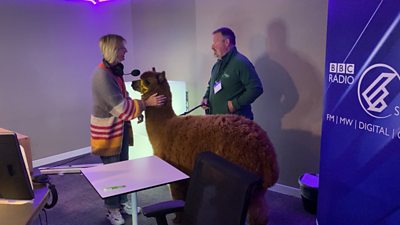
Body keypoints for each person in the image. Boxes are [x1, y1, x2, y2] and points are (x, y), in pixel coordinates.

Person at [90, 34, 166, 225]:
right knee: (112, 173)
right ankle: (112, 209)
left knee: (123, 168)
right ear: (114, 50)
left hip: (120, 128)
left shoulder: (114, 72)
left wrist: (137, 108)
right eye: (123, 49)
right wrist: (145, 103)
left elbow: (124, 103)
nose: (126, 52)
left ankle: (123, 202)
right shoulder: (102, 76)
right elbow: (121, 108)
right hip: (108, 133)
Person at [202, 27, 263, 120]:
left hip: (236, 125)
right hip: (216, 123)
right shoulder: (216, 66)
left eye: (215, 42)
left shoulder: (241, 62)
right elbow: (211, 86)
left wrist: (235, 104)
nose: (212, 46)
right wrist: (206, 98)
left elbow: (256, 88)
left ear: (226, 42)